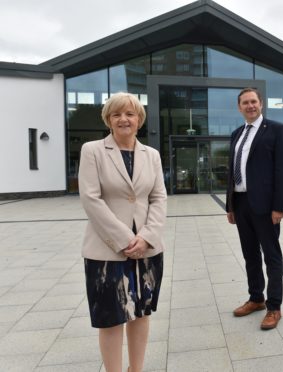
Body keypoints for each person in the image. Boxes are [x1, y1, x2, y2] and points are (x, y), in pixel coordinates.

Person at [78, 92, 167, 372]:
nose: (123, 119)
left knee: (140, 313)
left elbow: (158, 197)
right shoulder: (92, 150)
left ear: (139, 119)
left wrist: (147, 236)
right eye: (116, 114)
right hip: (107, 250)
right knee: (111, 316)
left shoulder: (151, 155)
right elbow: (91, 199)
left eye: (129, 114)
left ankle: (136, 369)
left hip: (148, 249)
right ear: (108, 120)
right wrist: (127, 240)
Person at [226, 87, 283, 330]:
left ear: (261, 104)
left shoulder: (276, 130)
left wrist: (279, 206)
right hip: (241, 204)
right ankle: (256, 299)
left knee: (271, 256)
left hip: (266, 207)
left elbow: (282, 170)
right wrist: (230, 206)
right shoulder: (236, 134)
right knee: (249, 255)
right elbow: (231, 172)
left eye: (254, 101)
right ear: (239, 107)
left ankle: (274, 307)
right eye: (245, 102)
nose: (250, 106)